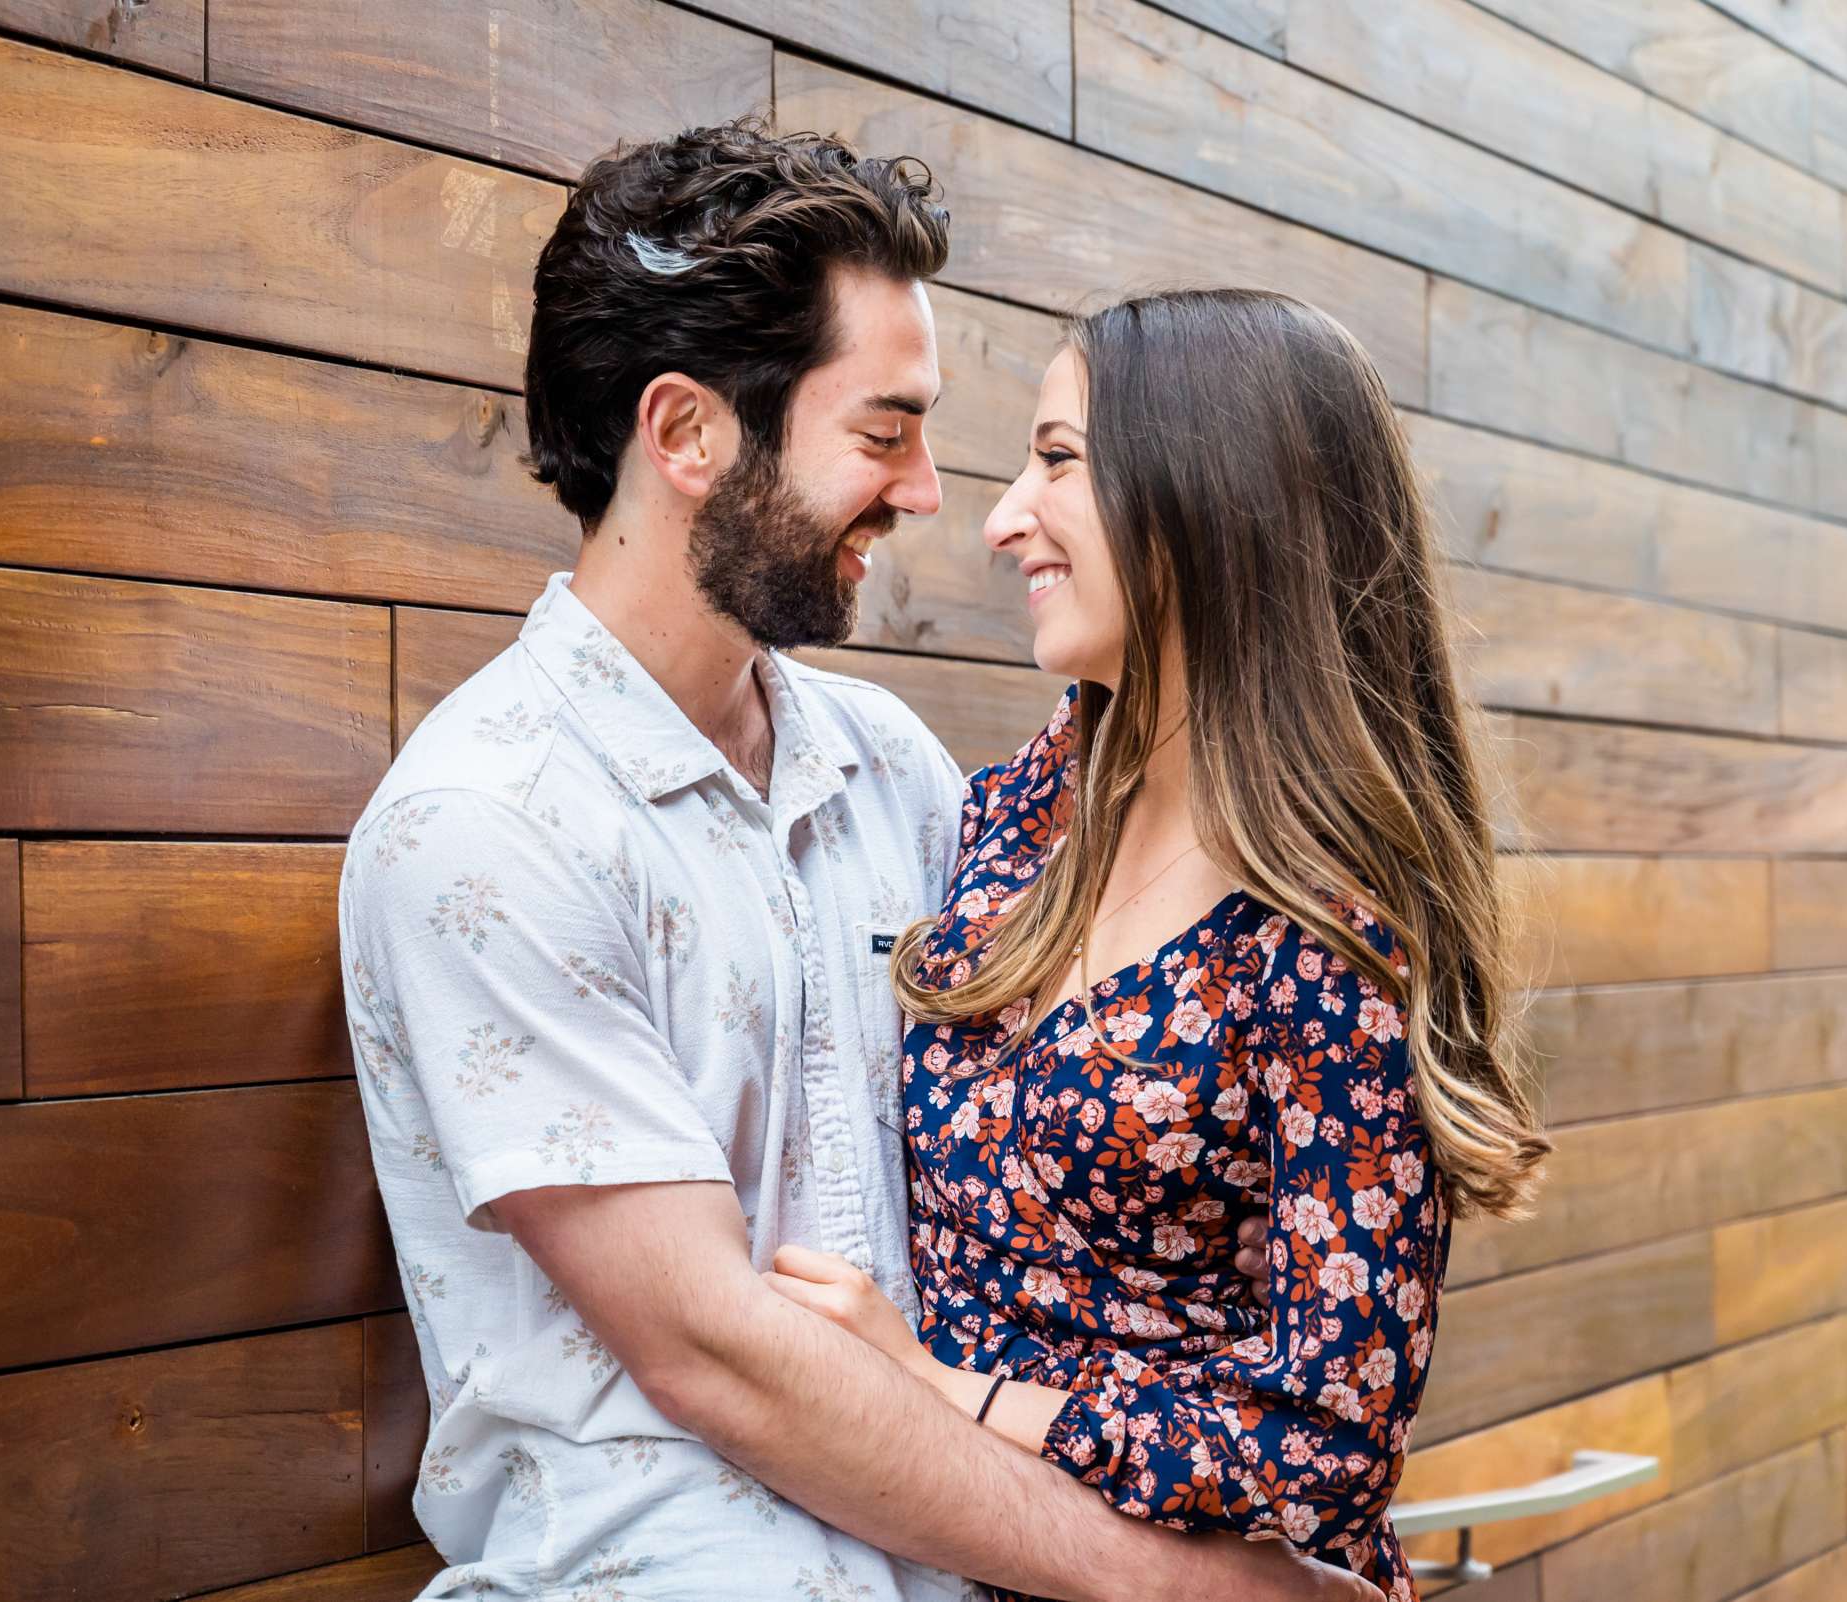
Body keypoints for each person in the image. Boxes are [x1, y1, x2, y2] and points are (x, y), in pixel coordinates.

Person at [337, 122, 1383, 1602]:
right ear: (689, 435)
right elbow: (721, 1360)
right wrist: (1185, 1586)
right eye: (884, 433)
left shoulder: (895, 770)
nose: (929, 493)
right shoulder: (486, 826)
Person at [758, 290, 1554, 1602]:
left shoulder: (1332, 936)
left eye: (1057, 460)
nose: (1007, 515)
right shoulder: (1023, 810)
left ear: (1210, 496)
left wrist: (942, 1392)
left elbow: (1325, 1449)